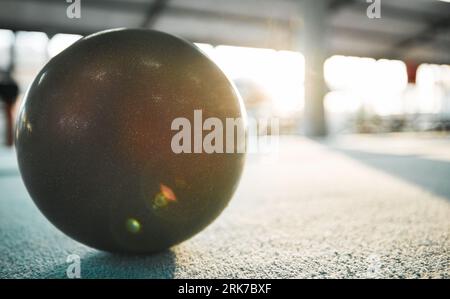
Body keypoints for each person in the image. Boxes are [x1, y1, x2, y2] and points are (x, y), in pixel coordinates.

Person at [0, 72, 19, 147]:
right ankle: (10, 142)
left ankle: (10, 142)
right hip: (10, 87)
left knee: (9, 115)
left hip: (10, 88)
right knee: (9, 115)